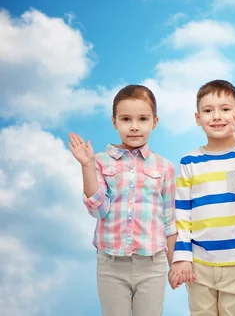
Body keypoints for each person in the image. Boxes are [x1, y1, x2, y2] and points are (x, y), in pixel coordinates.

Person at [68, 84, 176, 316]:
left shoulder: (164, 167)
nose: (134, 127)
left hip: (152, 264)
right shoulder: (100, 161)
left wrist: (174, 264)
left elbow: (169, 221)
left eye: (143, 119)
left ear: (154, 122)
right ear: (114, 122)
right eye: (126, 119)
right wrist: (87, 166)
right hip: (111, 263)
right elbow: (98, 210)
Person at [169, 79, 235, 316]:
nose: (217, 116)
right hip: (199, 262)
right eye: (208, 110)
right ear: (197, 118)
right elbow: (181, 212)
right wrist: (181, 257)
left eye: (225, 109)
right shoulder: (189, 162)